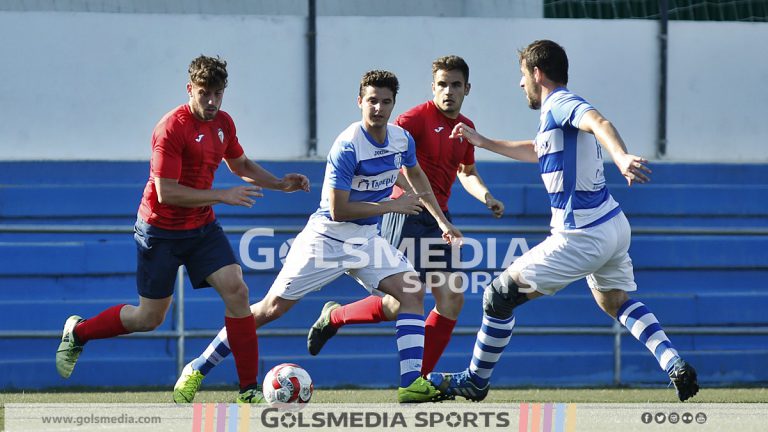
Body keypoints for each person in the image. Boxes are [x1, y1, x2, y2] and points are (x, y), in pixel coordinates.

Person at [426, 40, 699, 402]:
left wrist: (619, 157)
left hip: (581, 234)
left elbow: (598, 121)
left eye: (523, 76)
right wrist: (483, 141)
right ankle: (674, 363)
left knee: (497, 296)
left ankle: (476, 380)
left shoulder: (561, 102)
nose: (521, 84)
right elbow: (536, 149)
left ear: (537, 74)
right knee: (615, 301)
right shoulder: (554, 117)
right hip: (612, 224)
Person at [172, 70, 462, 404]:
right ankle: (197, 367)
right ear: (360, 102)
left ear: (393, 104)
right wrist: (390, 206)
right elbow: (339, 211)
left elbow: (418, 178)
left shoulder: (401, 140)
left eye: (385, 102)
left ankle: (411, 384)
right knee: (270, 309)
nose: (378, 108)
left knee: (411, 292)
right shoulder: (348, 146)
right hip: (326, 239)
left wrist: (441, 221)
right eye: (372, 101)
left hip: (366, 240)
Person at [54, 55, 310, 403]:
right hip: (160, 231)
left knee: (237, 290)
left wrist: (280, 183)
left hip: (201, 226)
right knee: (149, 318)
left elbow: (241, 164)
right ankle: (79, 332)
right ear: (190, 89)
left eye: (217, 94)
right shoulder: (171, 128)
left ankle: (248, 389)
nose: (211, 101)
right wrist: (222, 195)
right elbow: (167, 191)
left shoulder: (223, 123)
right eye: (204, 93)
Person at [305, 55, 505, 376]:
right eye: (442, 84)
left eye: (455, 85)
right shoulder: (413, 120)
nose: (448, 91)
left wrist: (487, 196)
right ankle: (336, 316)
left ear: (467, 88)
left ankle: (419, 379)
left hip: (440, 218)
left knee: (452, 299)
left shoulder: (465, 129)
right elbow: (387, 159)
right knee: (400, 302)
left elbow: (466, 171)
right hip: (406, 214)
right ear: (433, 87)